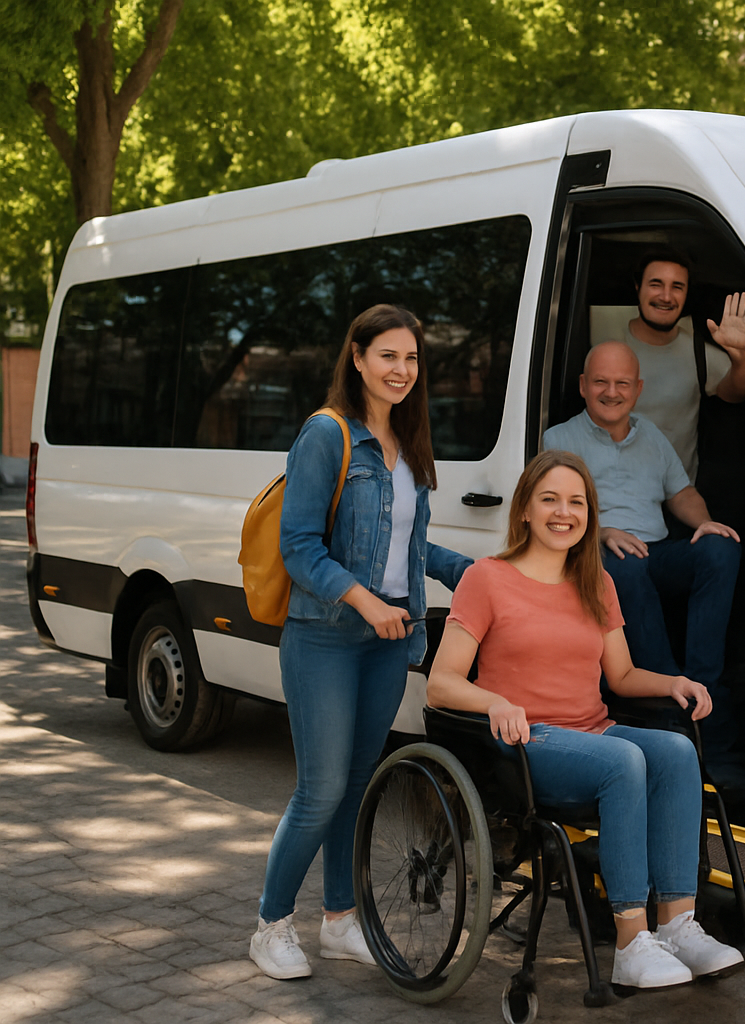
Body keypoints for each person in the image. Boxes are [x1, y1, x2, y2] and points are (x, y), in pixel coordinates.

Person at [426, 449, 745, 989]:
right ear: (525, 509)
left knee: (676, 750)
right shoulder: (488, 578)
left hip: (593, 731)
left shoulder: (597, 582)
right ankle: (629, 941)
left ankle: (678, 926)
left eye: (576, 502)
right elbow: (442, 682)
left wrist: (673, 683)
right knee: (624, 760)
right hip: (528, 741)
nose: (563, 512)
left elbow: (619, 677)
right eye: (549, 499)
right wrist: (496, 702)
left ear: (590, 515)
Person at [249, 304, 473, 980]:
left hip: (389, 641)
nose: (401, 370)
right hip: (325, 639)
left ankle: (340, 920)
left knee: (354, 788)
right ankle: (270, 925)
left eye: (411, 359)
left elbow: (406, 541)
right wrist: (362, 599)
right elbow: (300, 547)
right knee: (318, 791)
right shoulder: (327, 434)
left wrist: (473, 572)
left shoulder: (408, 443)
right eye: (388, 356)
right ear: (357, 357)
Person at [543, 342, 741, 762]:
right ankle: (672, 701)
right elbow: (551, 514)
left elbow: (682, 492)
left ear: (638, 388)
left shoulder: (650, 434)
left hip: (656, 551)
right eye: (600, 382)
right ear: (583, 386)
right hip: (597, 556)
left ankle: (703, 683)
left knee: (720, 548)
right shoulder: (559, 440)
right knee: (625, 567)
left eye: (622, 383)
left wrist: (703, 522)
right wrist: (600, 532)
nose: (611, 392)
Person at [612, 248, 745, 482]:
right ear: (638, 288)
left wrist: (741, 355)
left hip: (679, 499)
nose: (666, 297)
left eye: (677, 287)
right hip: (616, 497)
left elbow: (736, 393)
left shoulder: (698, 353)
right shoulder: (607, 347)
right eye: (656, 284)